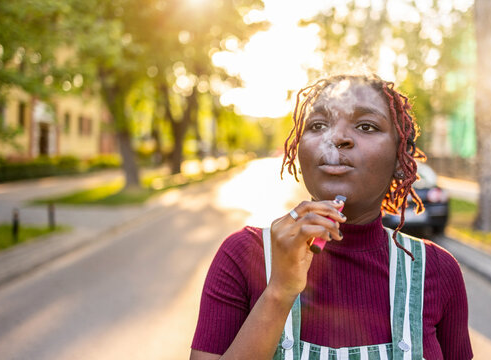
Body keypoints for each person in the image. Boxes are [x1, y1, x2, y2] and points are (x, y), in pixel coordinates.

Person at [190, 74, 473, 359]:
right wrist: (279, 291)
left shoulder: (437, 271)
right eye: (318, 125)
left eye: (366, 126)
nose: (336, 138)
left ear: (400, 160)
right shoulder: (242, 255)